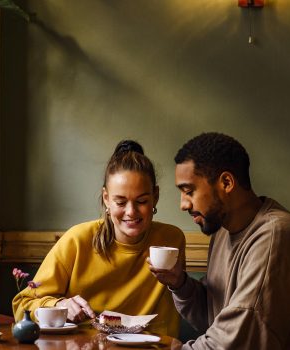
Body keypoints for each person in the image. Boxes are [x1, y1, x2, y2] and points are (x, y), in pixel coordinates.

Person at [148, 132, 290, 349]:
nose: (183, 204)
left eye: (189, 191)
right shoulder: (222, 231)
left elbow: (234, 342)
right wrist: (179, 284)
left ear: (226, 182)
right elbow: (214, 319)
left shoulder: (278, 235)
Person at [12, 140, 185, 337]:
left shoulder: (171, 240)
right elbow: (22, 305)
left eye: (142, 201)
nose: (131, 211)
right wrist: (59, 305)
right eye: (120, 201)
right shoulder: (77, 240)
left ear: (156, 196)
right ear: (106, 199)